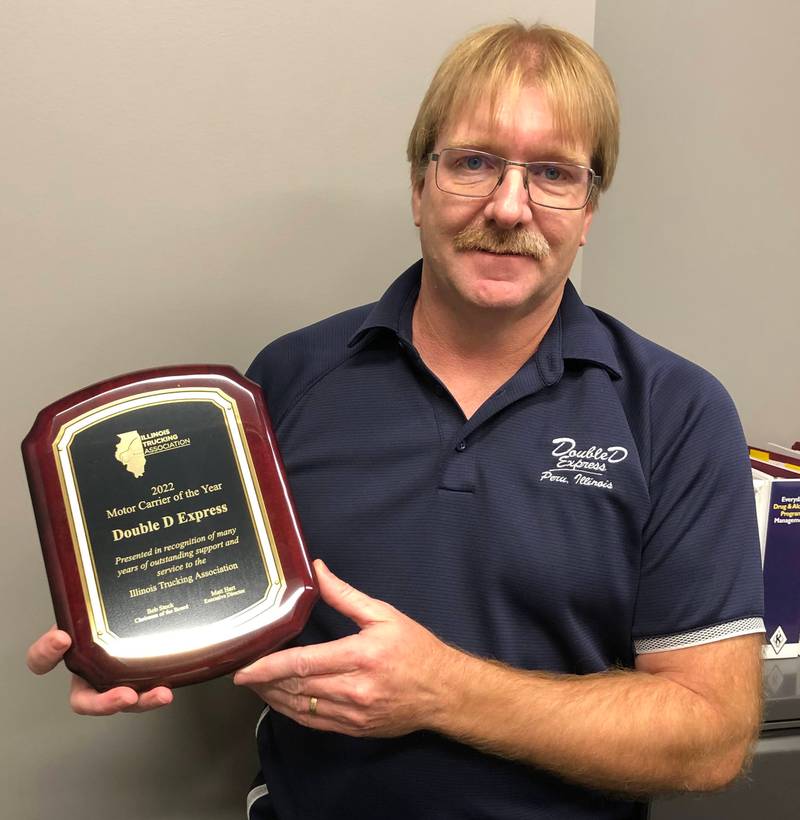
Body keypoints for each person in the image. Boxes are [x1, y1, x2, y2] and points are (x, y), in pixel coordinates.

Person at [28, 22, 764, 820]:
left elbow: (711, 735)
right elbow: (212, 579)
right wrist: (130, 641)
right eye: (474, 162)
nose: (509, 207)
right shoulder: (286, 380)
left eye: (553, 173)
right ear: (419, 186)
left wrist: (444, 693)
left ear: (588, 210)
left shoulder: (675, 410)